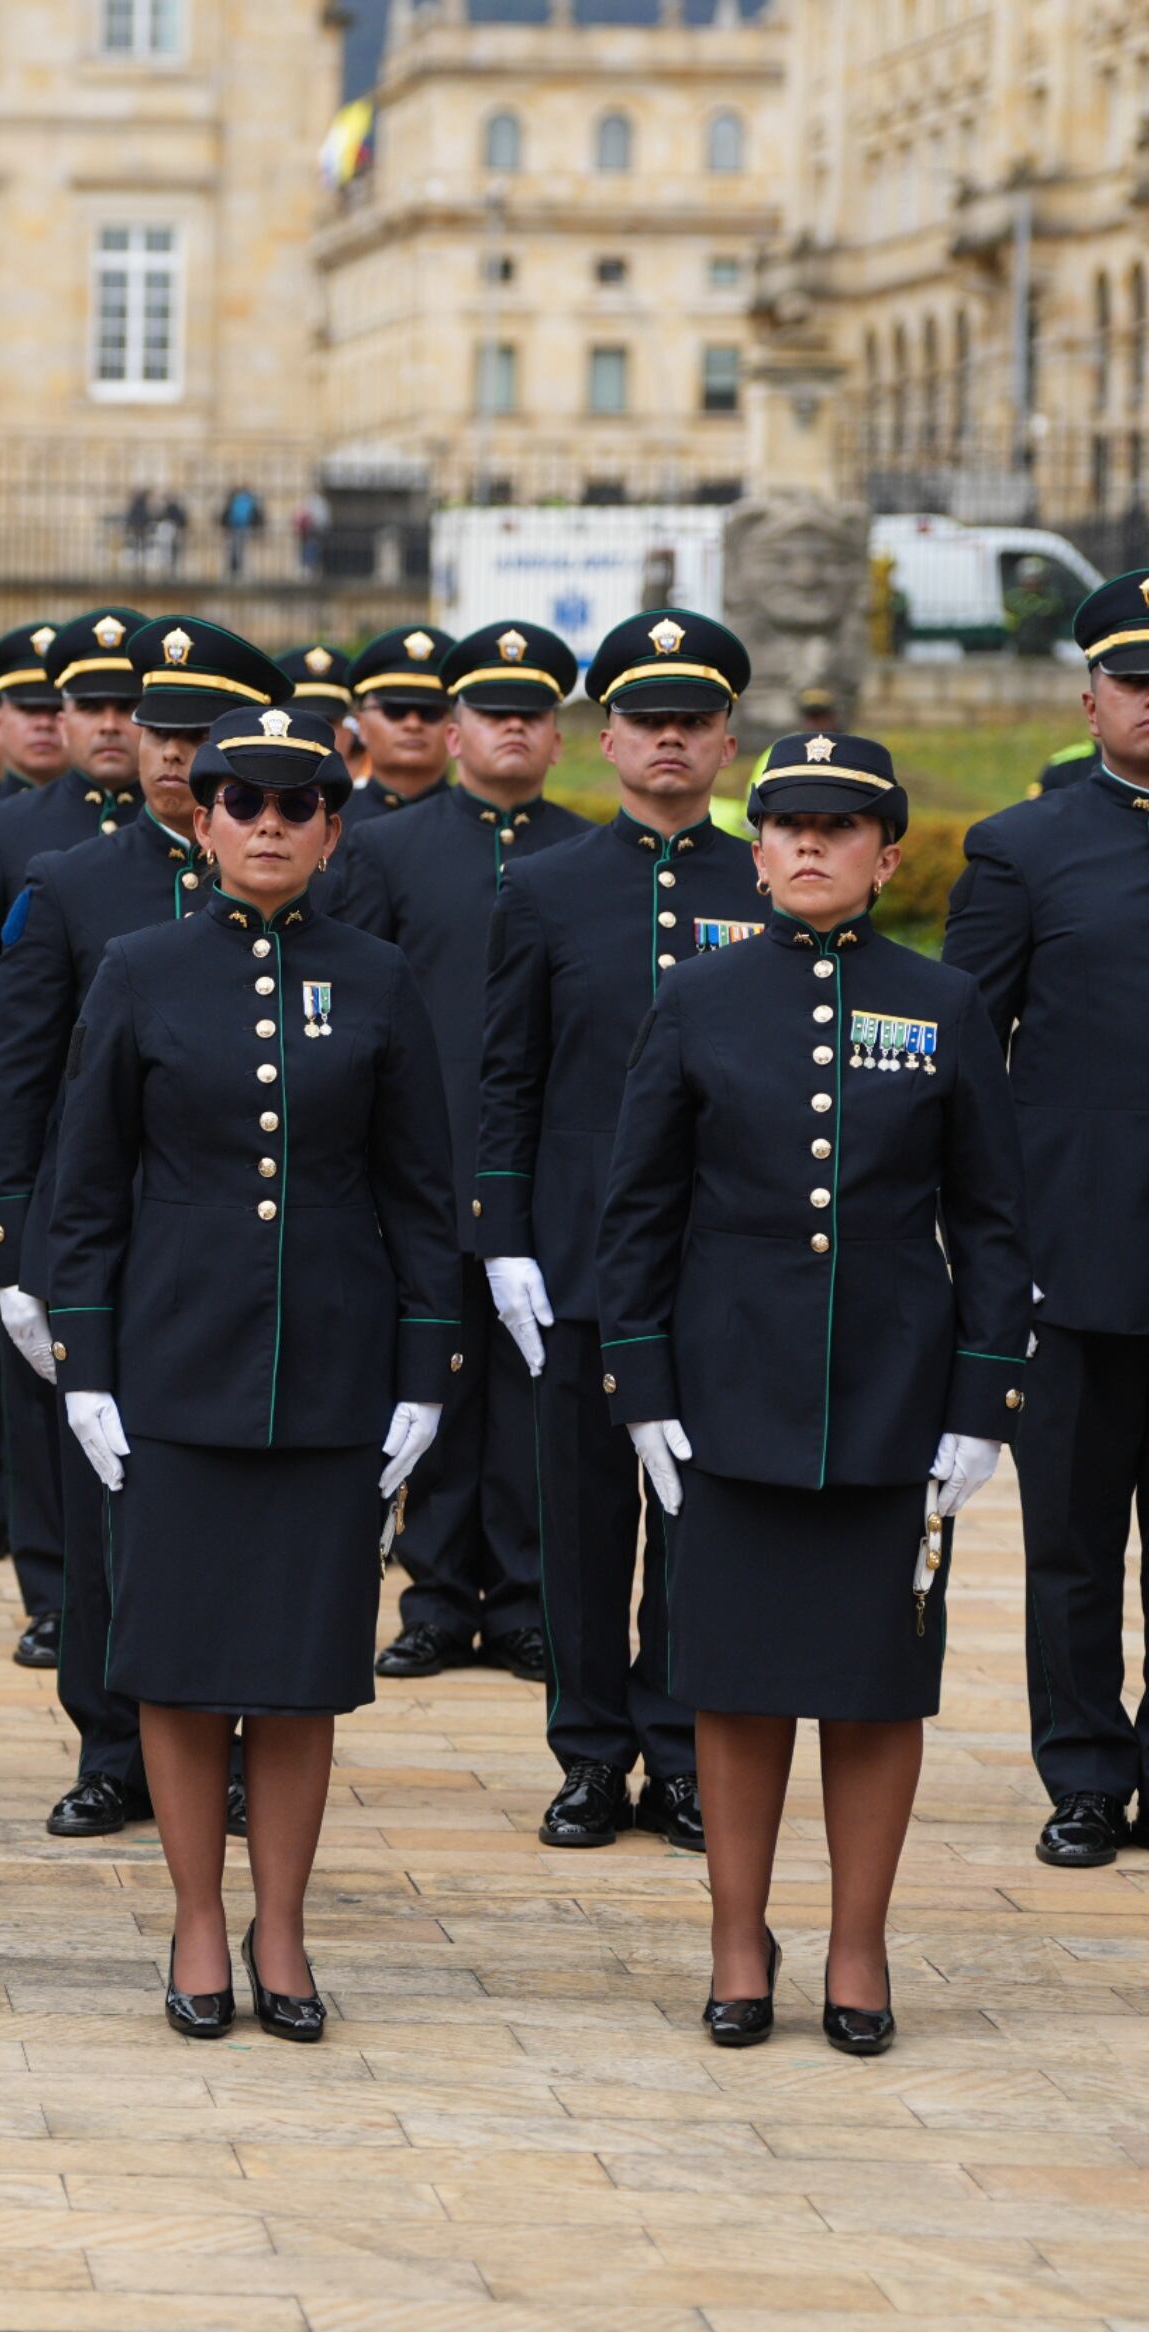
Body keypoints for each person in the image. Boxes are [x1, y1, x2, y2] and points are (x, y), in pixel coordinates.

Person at [595, 732, 1026, 2055]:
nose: (804, 846)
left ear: (886, 855)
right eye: (782, 825)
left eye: (838, 829)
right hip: (728, 1395)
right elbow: (640, 1211)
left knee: (875, 1681)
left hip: (892, 1395)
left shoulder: (942, 1002)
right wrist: (646, 1386)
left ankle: (856, 1943)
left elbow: (994, 1218)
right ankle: (738, 1937)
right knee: (730, 1681)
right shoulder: (701, 1000)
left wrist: (980, 1401)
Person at [44, 707, 459, 2042]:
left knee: (300, 1665)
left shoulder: (380, 978)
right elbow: (87, 1184)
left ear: (334, 830)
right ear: (202, 820)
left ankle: (282, 1924)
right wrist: (87, 1362)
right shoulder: (139, 968)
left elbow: (418, 1189)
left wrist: (423, 1369)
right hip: (174, 1363)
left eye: (297, 806)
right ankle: (198, 1920)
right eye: (240, 802)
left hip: (331, 1370)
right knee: (173, 1662)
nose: (268, 824)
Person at [477, 613, 760, 1855]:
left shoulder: (757, 881)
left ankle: (683, 1749)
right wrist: (504, 1234)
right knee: (584, 1524)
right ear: (608, 739)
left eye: (693, 726)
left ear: (727, 745)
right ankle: (589, 1752)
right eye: (649, 724)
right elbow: (507, 1076)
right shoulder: (541, 889)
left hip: (722, 1256)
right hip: (581, 1250)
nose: (670, 745)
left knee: (700, 1522)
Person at [0, 621, 281, 1799]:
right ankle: (113, 1747)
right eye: (159, 734)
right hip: (108, 1244)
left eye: (195, 738)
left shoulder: (307, 871)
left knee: (250, 1516)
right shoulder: (71, 881)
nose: (168, 757)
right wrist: (17, 1248)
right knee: (108, 1502)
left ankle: (247, 1738)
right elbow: (20, 1074)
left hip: (249, 1245)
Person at [327, 624, 589, 1686]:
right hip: (425, 1157)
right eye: (490, 713)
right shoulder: (389, 849)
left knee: (532, 1393)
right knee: (436, 1379)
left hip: (544, 1165)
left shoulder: (583, 852)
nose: (511, 730)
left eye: (532, 714)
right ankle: (434, 1595)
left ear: (560, 736)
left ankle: (526, 1600)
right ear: (458, 730)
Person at [945, 569, 1149, 1870]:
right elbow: (967, 1055)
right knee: (1073, 1544)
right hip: (1073, 1259)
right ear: (1091, 697)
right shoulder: (1028, 847)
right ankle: (1083, 1772)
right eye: (1137, 684)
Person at [0, 611, 145, 1642]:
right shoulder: (9, 833)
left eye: (127, 706)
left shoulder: (213, 838)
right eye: (91, 706)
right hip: (51, 1147)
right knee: (39, 1376)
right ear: (58, 716)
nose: (109, 724)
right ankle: (54, 1588)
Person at [340, 627, 455, 819]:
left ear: (455, 730)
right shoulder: (329, 825)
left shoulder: (485, 826)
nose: (413, 724)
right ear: (361, 725)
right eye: (394, 711)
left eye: (431, 712)